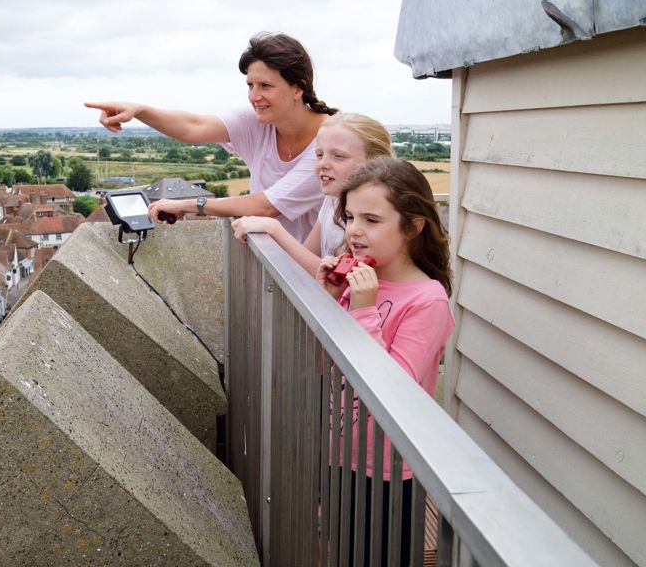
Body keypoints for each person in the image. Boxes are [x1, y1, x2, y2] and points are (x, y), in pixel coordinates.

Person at [316, 156, 454, 566]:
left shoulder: (427, 300)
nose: (355, 230)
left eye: (372, 220)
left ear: (413, 227)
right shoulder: (361, 279)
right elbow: (331, 362)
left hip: (390, 469)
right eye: (351, 217)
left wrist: (362, 308)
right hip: (342, 451)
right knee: (346, 551)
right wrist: (328, 299)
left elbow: (396, 387)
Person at [85, 32, 338, 241]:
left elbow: (266, 206)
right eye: (251, 85)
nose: (254, 96)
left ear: (298, 88)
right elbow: (193, 127)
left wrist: (187, 205)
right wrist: (139, 110)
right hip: (278, 268)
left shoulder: (331, 142)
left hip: (318, 283)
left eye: (266, 86)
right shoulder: (259, 122)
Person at [230, 112, 391, 275]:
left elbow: (337, 281)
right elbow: (305, 257)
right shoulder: (332, 200)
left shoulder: (376, 215)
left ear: (374, 161)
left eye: (339, 156)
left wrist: (274, 229)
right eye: (319, 155)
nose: (323, 164)